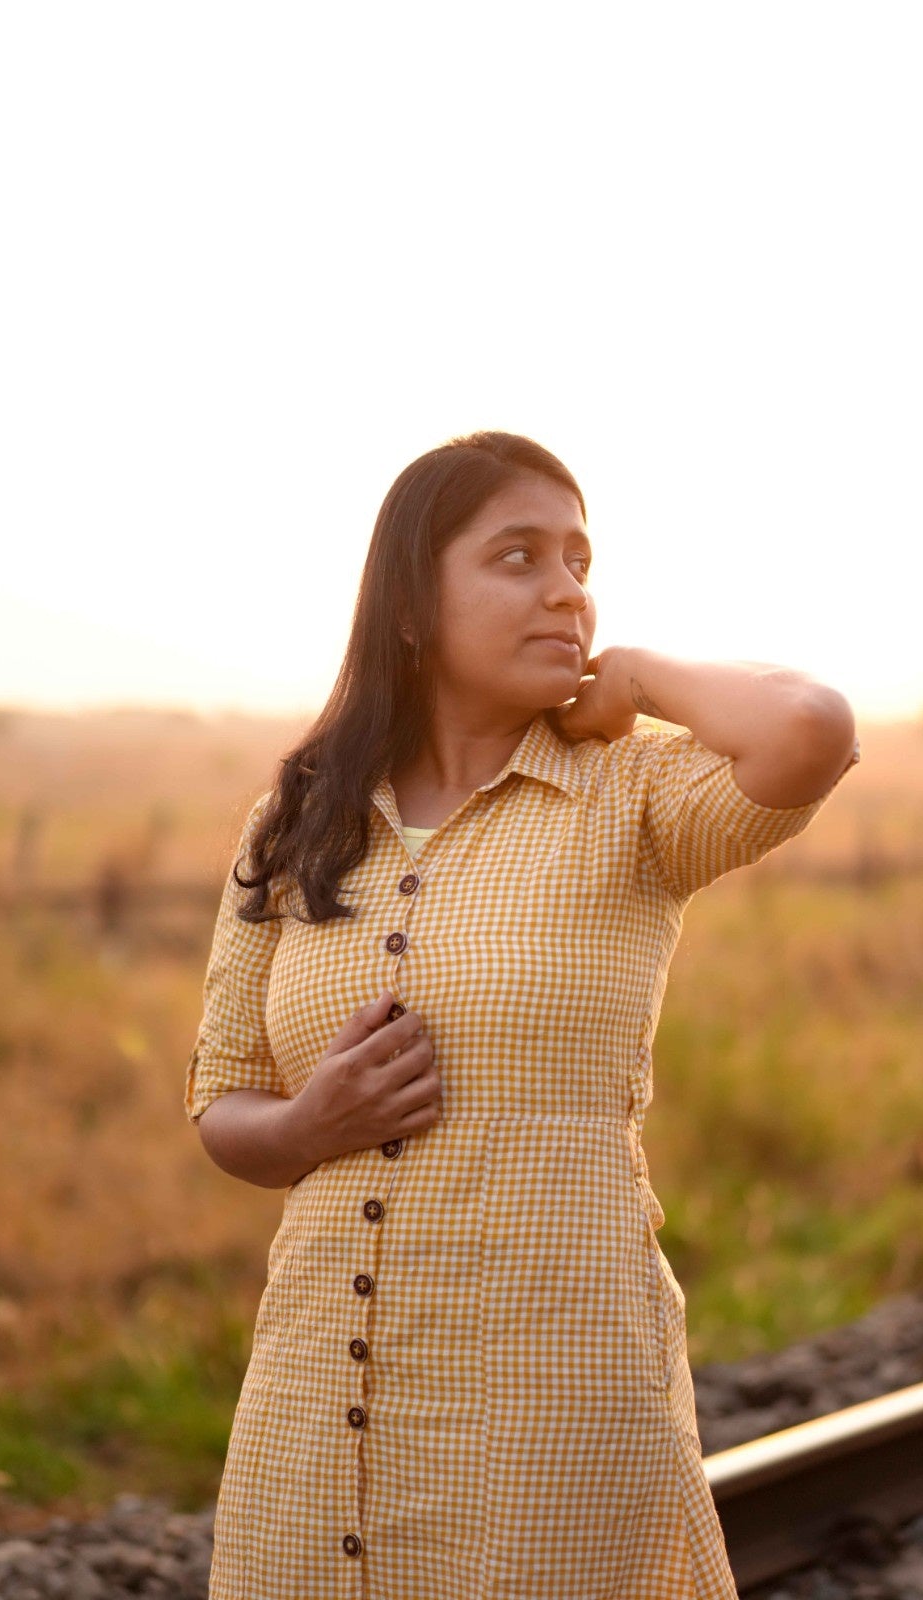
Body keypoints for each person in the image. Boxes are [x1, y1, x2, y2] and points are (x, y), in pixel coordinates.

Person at [184, 430, 860, 1599]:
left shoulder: (634, 795)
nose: (566, 591)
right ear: (409, 603)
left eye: (578, 559)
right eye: (516, 556)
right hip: (318, 1392)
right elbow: (220, 1096)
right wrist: (302, 1129)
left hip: (552, 1390)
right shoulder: (293, 822)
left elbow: (809, 730)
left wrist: (639, 678)